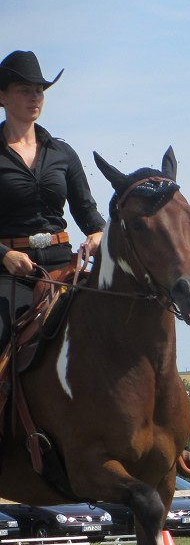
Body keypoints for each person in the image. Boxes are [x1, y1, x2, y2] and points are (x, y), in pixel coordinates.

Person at [0, 50, 105, 350]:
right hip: (10, 273)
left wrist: (97, 233)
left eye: (39, 91)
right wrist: (4, 255)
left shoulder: (63, 153)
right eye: (25, 90)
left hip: (63, 266)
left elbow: (87, 212)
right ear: (3, 96)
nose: (35, 97)